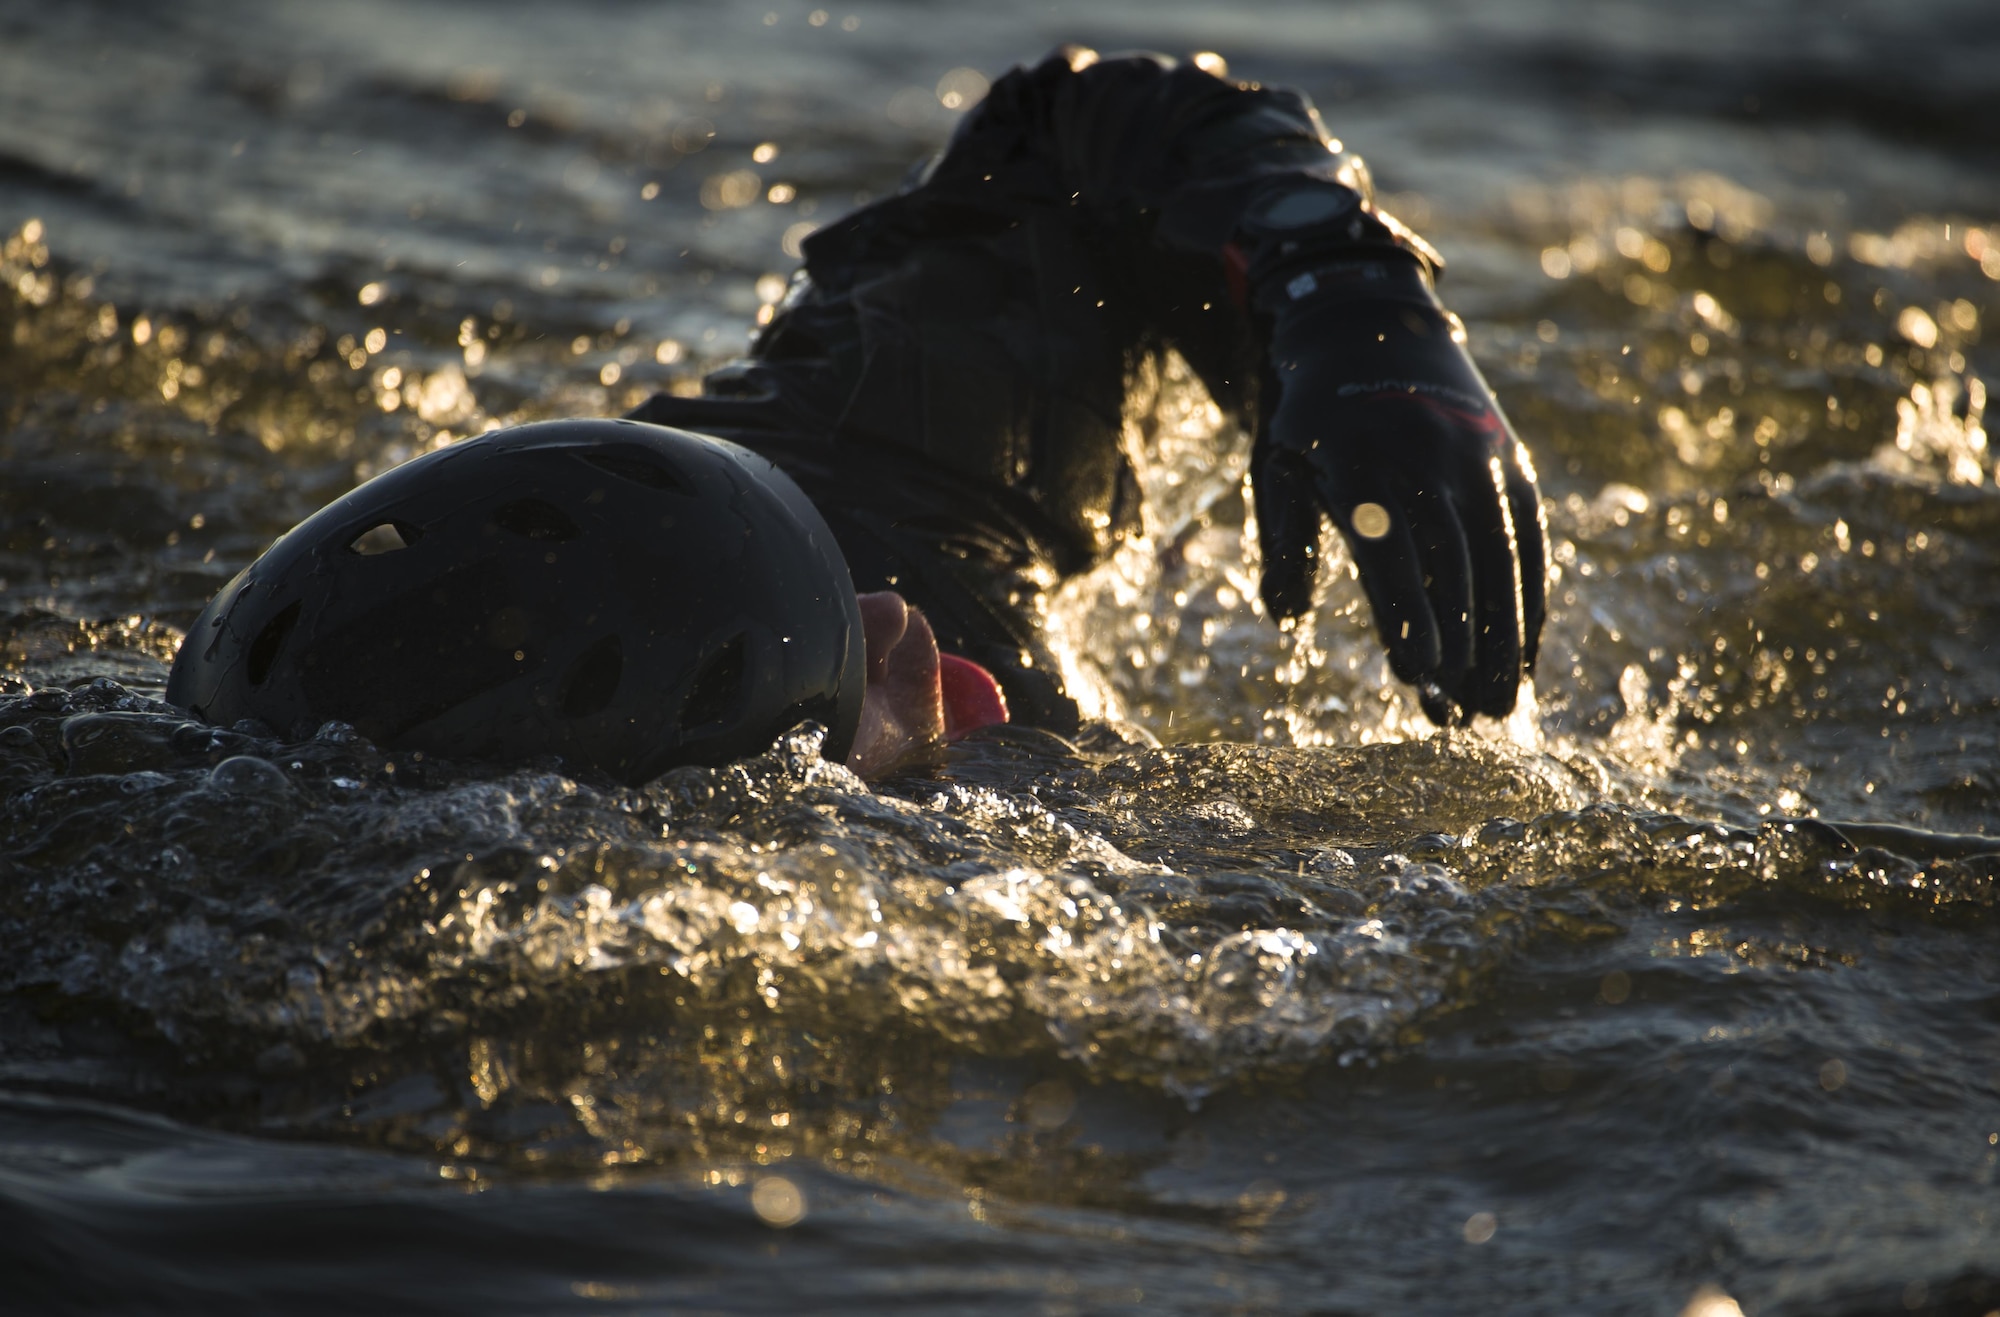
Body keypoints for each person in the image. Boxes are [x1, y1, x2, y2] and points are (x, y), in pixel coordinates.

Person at [167, 47, 1548, 782]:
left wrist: (1344, 285)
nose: (914, 635)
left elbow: (1056, 136)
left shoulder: (882, 450)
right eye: (837, 686)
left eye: (851, 595)